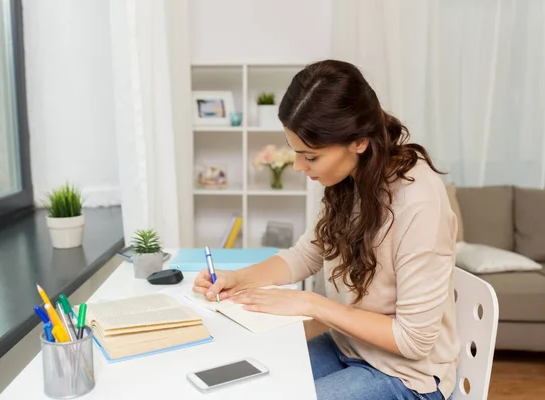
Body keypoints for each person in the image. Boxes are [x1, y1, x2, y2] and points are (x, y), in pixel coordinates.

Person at [192, 59, 459, 400]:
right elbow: (307, 254)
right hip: (348, 347)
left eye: (311, 157)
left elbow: (414, 339)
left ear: (359, 142)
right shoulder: (349, 178)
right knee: (247, 384)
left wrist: (312, 304)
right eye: (296, 152)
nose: (299, 166)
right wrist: (238, 278)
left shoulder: (419, 202)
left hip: (407, 375)